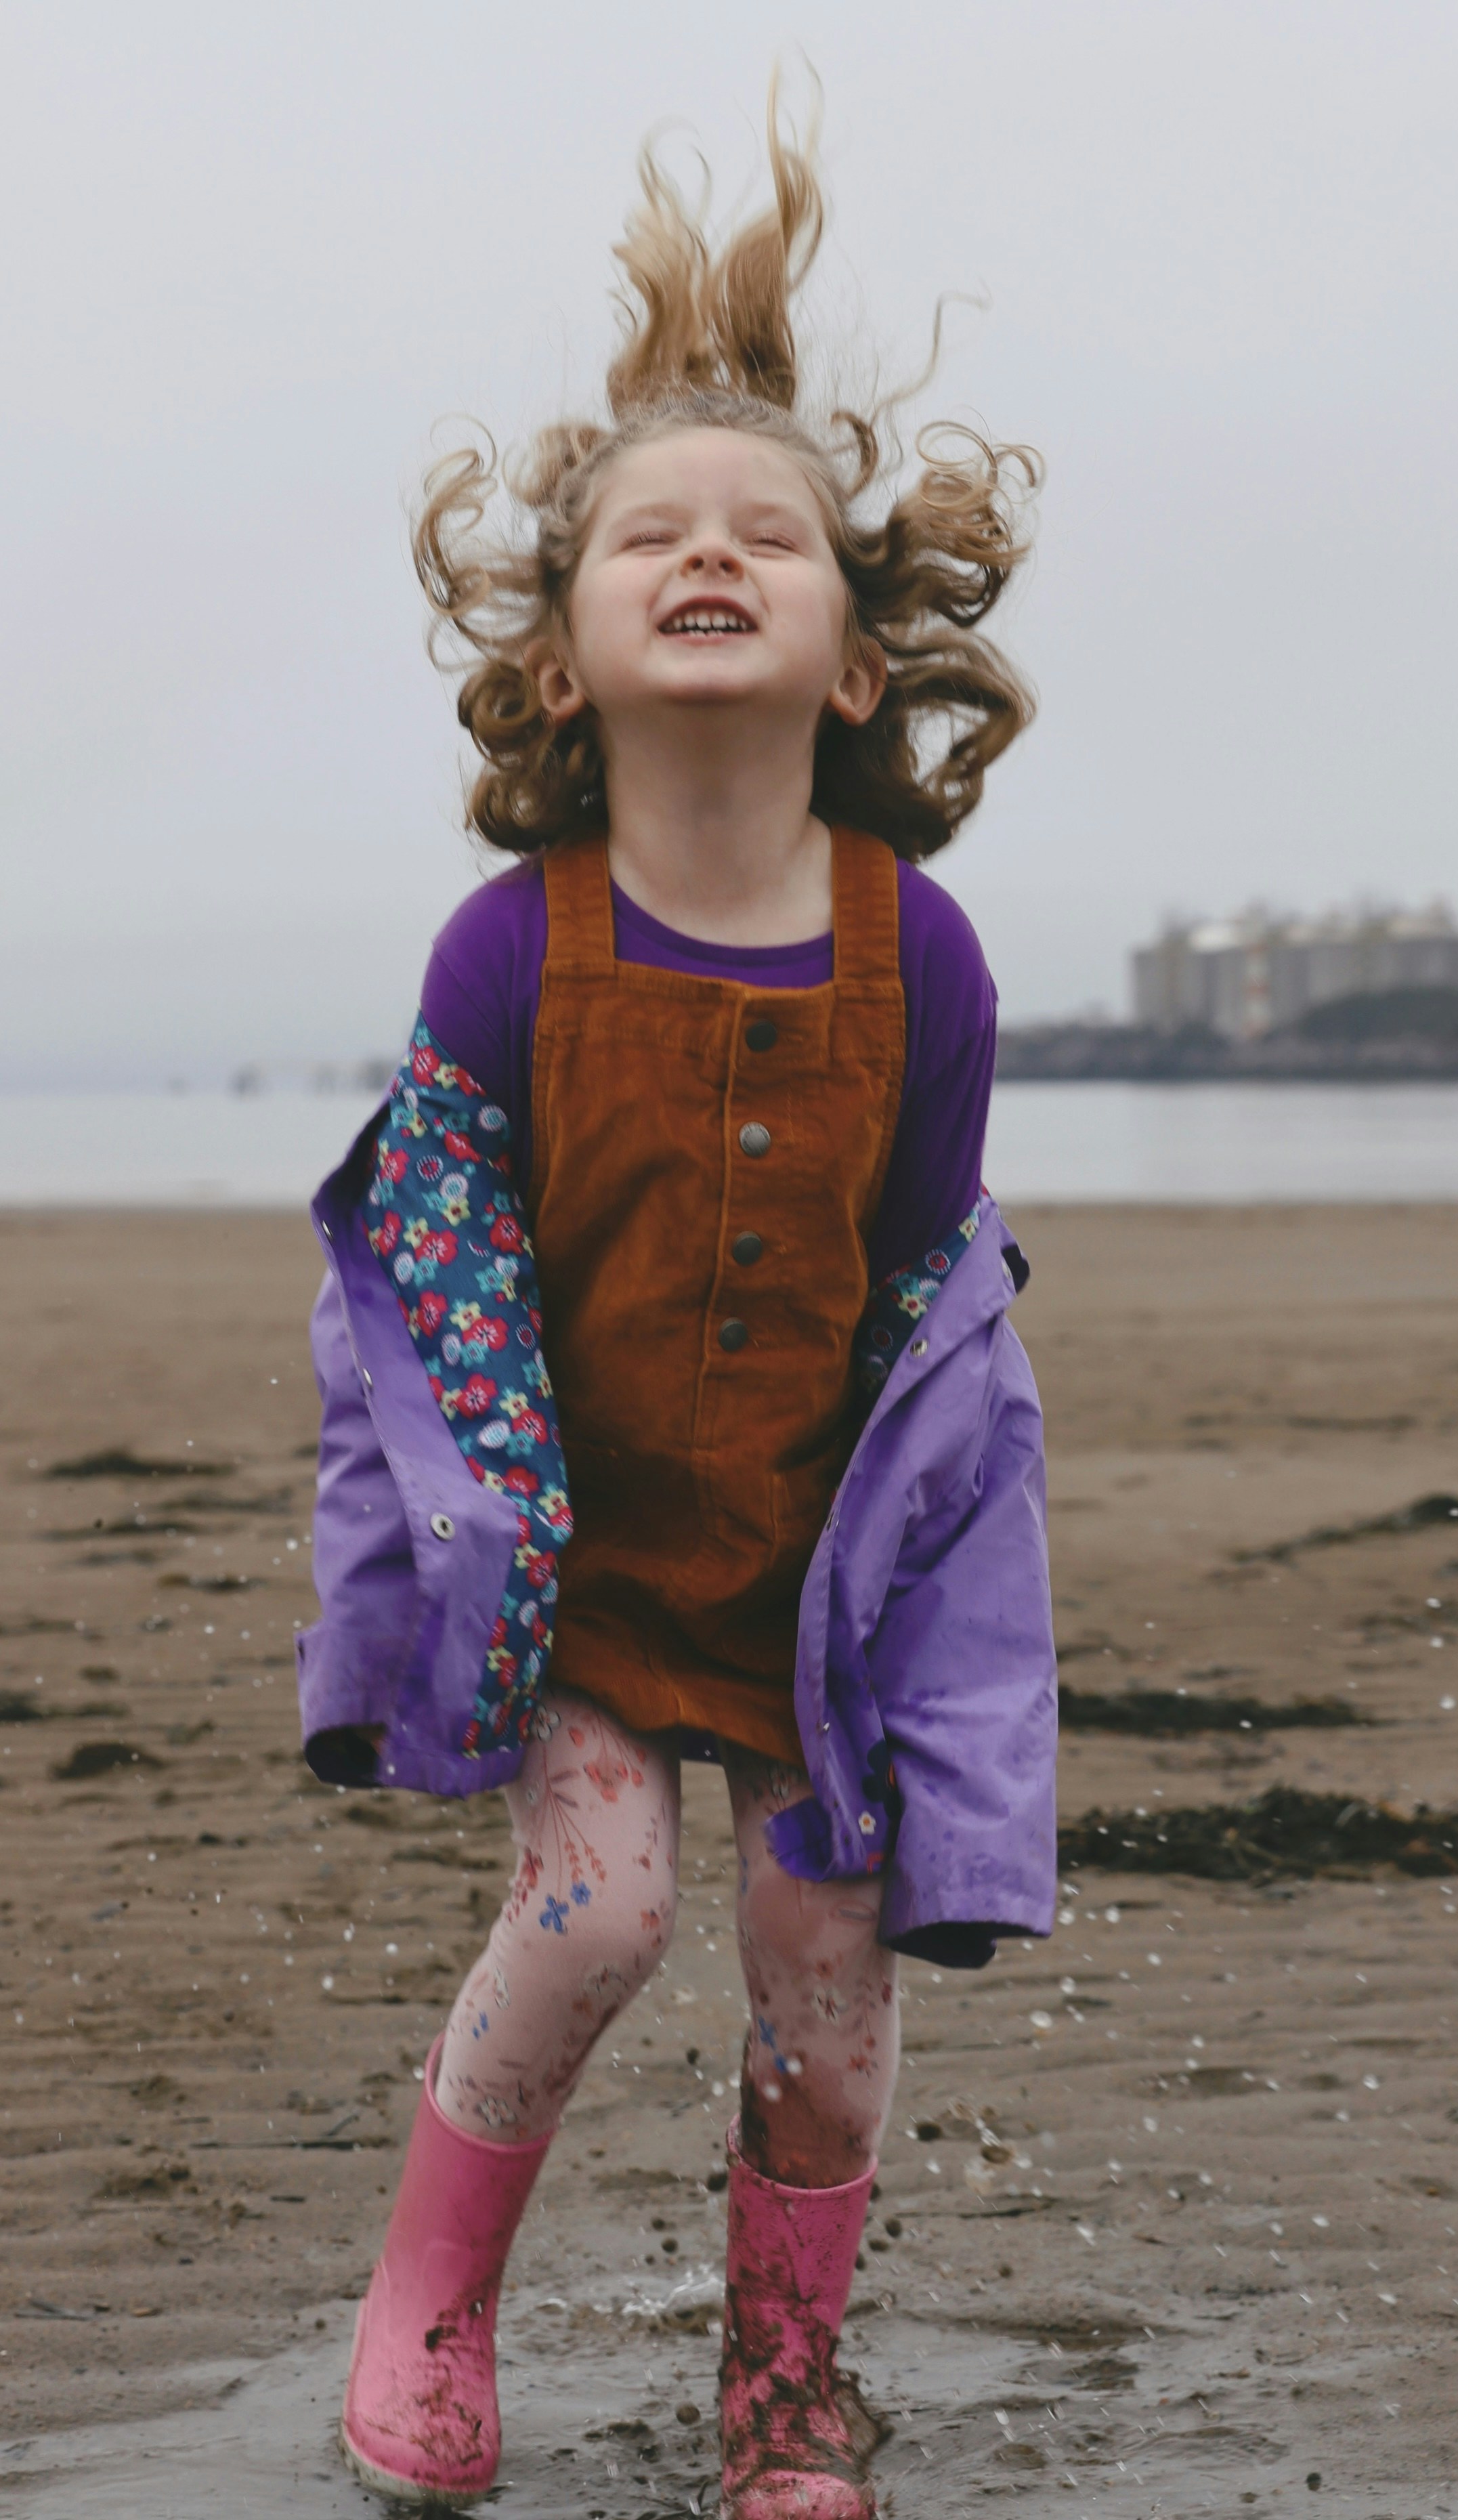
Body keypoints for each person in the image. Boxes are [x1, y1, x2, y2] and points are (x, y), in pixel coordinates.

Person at [297, 87, 1056, 2519]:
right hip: (591, 1584)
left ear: (854, 655)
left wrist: (938, 1651)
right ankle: (430, 2296)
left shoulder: (919, 954)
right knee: (602, 1910)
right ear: (560, 657)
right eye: (652, 532)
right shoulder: (503, 949)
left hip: (819, 1594)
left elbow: (938, 1319)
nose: (708, 551)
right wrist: (438, 1588)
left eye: (766, 536)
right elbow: (414, 1301)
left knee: (825, 2001)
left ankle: (784, 2382)